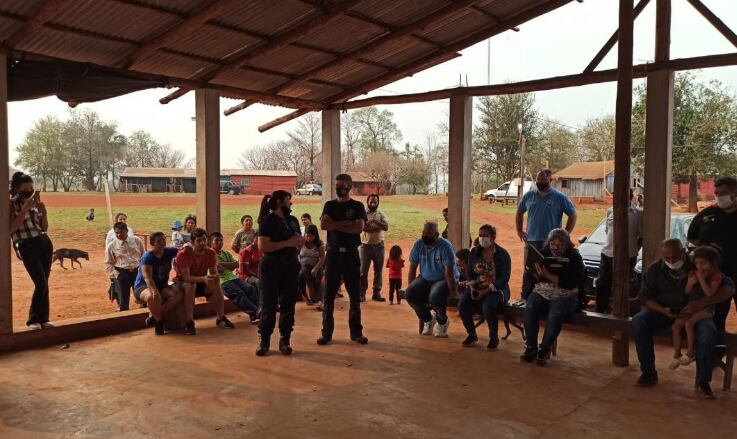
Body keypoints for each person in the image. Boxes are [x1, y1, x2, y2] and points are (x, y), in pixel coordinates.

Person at [633, 239, 735, 398]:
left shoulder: (699, 264)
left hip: (697, 313)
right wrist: (663, 310)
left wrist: (701, 303)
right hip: (666, 312)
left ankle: (703, 381)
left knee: (708, 332)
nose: (672, 261)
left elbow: (729, 287)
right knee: (639, 320)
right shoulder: (654, 270)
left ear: (683, 252)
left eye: (675, 257)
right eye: (667, 258)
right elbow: (645, 297)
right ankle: (648, 372)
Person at [520, 228, 584, 366]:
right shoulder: (543, 254)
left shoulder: (574, 257)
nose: (555, 247)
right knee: (530, 306)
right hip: (544, 291)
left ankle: (545, 349)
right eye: (552, 244)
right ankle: (531, 347)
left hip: (566, 295)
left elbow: (572, 283)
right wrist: (536, 274)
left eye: (560, 244)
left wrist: (548, 275)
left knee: (556, 311)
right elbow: (530, 274)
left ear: (567, 244)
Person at [318, 173, 369, 346]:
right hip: (332, 255)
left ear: (349, 186)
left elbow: (359, 228)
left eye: (341, 185)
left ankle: (356, 333)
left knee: (354, 296)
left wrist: (336, 224)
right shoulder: (329, 205)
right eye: (336, 185)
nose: (338, 188)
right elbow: (324, 225)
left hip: (351, 255)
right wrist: (347, 222)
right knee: (328, 297)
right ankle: (326, 333)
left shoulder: (357, 206)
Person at [255, 190, 304, 356]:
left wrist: (299, 242)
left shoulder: (293, 220)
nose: (291, 203)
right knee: (269, 304)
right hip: (271, 266)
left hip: (290, 266)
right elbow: (263, 246)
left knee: (288, 304)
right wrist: (288, 242)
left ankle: (285, 339)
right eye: (288, 200)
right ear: (279, 202)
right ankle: (265, 341)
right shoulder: (267, 221)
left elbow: (297, 240)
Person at [516, 169, 577, 301]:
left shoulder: (560, 197)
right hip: (531, 241)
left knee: (549, 269)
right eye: (538, 180)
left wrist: (565, 234)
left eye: (543, 180)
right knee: (529, 270)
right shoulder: (529, 196)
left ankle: (547, 297)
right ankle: (525, 297)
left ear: (550, 180)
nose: (540, 182)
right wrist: (519, 230)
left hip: (551, 244)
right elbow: (519, 212)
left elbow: (573, 214)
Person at [687, 176, 737, 332]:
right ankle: (716, 354)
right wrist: (708, 252)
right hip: (714, 278)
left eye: (724, 193)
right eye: (717, 193)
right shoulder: (707, 214)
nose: (719, 196)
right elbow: (693, 238)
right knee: (715, 318)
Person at [9, 172, 54, 329]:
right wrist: (25, 209)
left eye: (31, 188)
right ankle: (33, 319)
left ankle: (44, 318)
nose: (29, 191)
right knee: (40, 282)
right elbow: (11, 228)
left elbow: (44, 228)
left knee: (45, 281)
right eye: (26, 189)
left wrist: (44, 212)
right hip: (27, 245)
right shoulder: (11, 204)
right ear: (16, 189)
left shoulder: (35, 204)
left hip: (43, 242)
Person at [671, 246, 725, 369]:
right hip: (691, 307)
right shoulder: (692, 273)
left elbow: (710, 293)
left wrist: (701, 279)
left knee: (689, 324)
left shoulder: (716, 276)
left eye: (703, 263)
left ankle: (690, 353)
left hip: (707, 309)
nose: (699, 267)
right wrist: (690, 283)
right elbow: (687, 291)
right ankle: (677, 355)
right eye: (697, 263)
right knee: (676, 325)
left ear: (713, 263)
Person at [458, 224, 511, 350]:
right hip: (477, 286)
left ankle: (494, 338)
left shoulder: (502, 254)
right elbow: (470, 273)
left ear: (493, 237)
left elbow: (504, 278)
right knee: (462, 305)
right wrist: (472, 287)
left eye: (485, 236)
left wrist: (487, 290)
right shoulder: (474, 252)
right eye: (480, 236)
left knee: (488, 306)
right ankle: (472, 334)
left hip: (497, 289)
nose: (482, 239)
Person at [175, 228, 234, 335]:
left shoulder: (210, 253)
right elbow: (186, 278)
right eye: (199, 240)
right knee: (190, 286)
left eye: (204, 240)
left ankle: (220, 317)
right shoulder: (183, 254)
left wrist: (214, 277)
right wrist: (204, 279)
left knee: (215, 282)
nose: (202, 243)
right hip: (183, 283)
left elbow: (213, 272)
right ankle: (190, 322)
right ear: (192, 242)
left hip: (201, 281)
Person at [405, 220, 459, 338]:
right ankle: (428, 319)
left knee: (435, 296)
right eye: (423, 232)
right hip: (425, 278)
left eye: (429, 233)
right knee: (409, 294)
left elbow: (449, 272)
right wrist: (411, 286)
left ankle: (442, 321)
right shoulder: (418, 245)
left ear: (436, 235)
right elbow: (412, 268)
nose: (425, 236)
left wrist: (453, 293)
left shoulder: (445, 246)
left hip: (443, 279)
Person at [595, 189, 643, 313]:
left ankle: (620, 310)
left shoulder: (638, 213)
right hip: (608, 253)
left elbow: (641, 237)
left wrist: (632, 251)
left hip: (628, 256)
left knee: (622, 285)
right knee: (602, 283)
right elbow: (608, 231)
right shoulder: (610, 211)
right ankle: (601, 310)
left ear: (630, 197)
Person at [133, 232, 183, 335]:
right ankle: (159, 322)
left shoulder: (169, 252)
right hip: (143, 286)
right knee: (152, 297)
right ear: (152, 243)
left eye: (164, 240)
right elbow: (148, 278)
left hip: (161, 285)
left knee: (178, 294)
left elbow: (182, 251)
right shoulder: (148, 257)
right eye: (159, 241)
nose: (162, 243)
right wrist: (155, 291)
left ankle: (155, 316)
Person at [209, 232, 259, 323]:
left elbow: (236, 264)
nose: (220, 242)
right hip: (222, 281)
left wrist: (222, 264)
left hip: (233, 278)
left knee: (250, 288)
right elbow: (218, 269)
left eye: (221, 240)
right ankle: (256, 312)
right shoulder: (210, 254)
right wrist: (226, 265)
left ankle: (256, 313)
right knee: (239, 293)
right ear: (210, 242)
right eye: (217, 241)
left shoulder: (226, 253)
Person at [104, 222, 145, 312]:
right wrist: (117, 275)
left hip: (137, 272)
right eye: (117, 233)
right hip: (122, 273)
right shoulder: (112, 245)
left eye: (121, 232)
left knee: (142, 297)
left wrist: (143, 270)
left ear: (127, 231)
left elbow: (143, 256)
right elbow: (108, 262)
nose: (119, 235)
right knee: (123, 302)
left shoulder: (136, 240)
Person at [360, 194, 388, 302]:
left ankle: (376, 293)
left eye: (375, 201)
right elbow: (363, 227)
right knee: (363, 271)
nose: (373, 203)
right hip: (365, 246)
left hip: (379, 246)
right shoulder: (363, 214)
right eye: (371, 201)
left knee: (378, 270)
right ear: (367, 202)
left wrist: (374, 222)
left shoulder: (381, 214)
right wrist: (377, 228)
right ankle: (361, 294)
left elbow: (386, 227)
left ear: (378, 202)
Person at [299, 224, 326, 306]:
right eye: (307, 236)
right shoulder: (301, 242)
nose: (309, 238)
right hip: (304, 266)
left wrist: (316, 268)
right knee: (301, 275)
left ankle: (319, 299)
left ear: (315, 235)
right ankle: (305, 296)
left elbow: (322, 257)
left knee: (317, 282)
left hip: (316, 265)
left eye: (311, 236)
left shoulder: (319, 243)